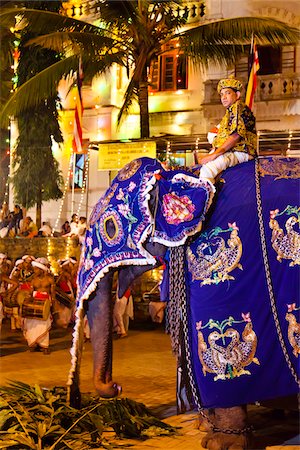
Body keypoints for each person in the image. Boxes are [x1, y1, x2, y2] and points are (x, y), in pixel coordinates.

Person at [195, 77, 257, 184]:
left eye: (227, 93)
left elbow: (235, 136)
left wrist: (214, 155)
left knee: (207, 171)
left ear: (237, 95)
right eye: (221, 94)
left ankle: (205, 200)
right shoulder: (229, 112)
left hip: (240, 152)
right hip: (233, 151)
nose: (223, 97)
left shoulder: (238, 107)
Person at [22, 259, 55, 354]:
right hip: (35, 303)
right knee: (31, 323)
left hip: (45, 303)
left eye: (36, 269)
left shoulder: (49, 279)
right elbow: (30, 293)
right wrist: (27, 298)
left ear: (41, 269)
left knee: (44, 324)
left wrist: (53, 304)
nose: (34, 271)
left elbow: (53, 294)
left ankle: (44, 345)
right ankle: (33, 343)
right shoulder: (33, 280)